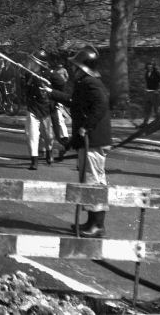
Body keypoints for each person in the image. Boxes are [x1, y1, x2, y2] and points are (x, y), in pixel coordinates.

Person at [46, 46, 112, 237]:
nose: (72, 70)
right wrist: (51, 92)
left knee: (93, 182)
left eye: (75, 66)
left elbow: (100, 106)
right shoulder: (87, 83)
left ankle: (97, 225)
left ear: (82, 68)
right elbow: (74, 102)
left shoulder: (91, 83)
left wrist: (86, 127)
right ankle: (91, 222)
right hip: (89, 141)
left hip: (93, 141)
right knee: (89, 180)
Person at [23, 49, 54, 170]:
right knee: (32, 135)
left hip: (46, 108)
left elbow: (59, 84)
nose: (30, 63)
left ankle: (49, 153)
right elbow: (26, 88)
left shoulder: (48, 75)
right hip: (33, 108)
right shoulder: (28, 74)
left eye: (32, 61)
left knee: (48, 135)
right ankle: (34, 160)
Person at [142, 62, 160, 127]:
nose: (149, 68)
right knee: (147, 109)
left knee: (156, 109)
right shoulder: (146, 73)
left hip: (155, 93)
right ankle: (145, 123)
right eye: (148, 67)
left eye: (151, 67)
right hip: (148, 92)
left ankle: (159, 123)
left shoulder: (156, 73)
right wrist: (145, 89)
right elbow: (147, 82)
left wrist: (158, 90)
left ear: (153, 67)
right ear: (146, 67)